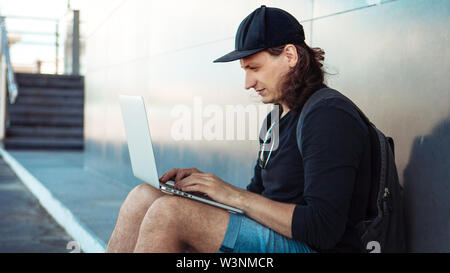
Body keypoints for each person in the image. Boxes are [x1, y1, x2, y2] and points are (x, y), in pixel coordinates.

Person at [106, 5, 372, 253]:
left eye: (254, 68)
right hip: (271, 234)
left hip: (312, 246)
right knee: (143, 196)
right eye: (244, 70)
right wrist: (207, 190)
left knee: (169, 213)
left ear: (290, 56)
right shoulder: (275, 119)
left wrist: (233, 195)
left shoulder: (328, 115)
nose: (248, 83)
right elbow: (256, 196)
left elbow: (323, 228)